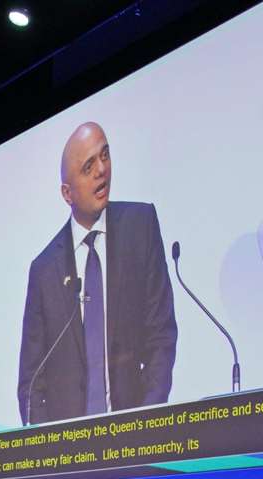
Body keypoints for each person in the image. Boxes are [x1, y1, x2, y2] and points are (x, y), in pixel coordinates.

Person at [16, 122, 178, 426]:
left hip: (135, 440)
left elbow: (161, 336)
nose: (101, 169)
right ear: (67, 193)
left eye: (105, 155)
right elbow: (31, 382)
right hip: (68, 454)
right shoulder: (44, 271)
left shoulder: (140, 227)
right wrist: (44, 451)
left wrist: (146, 424)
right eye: (88, 166)